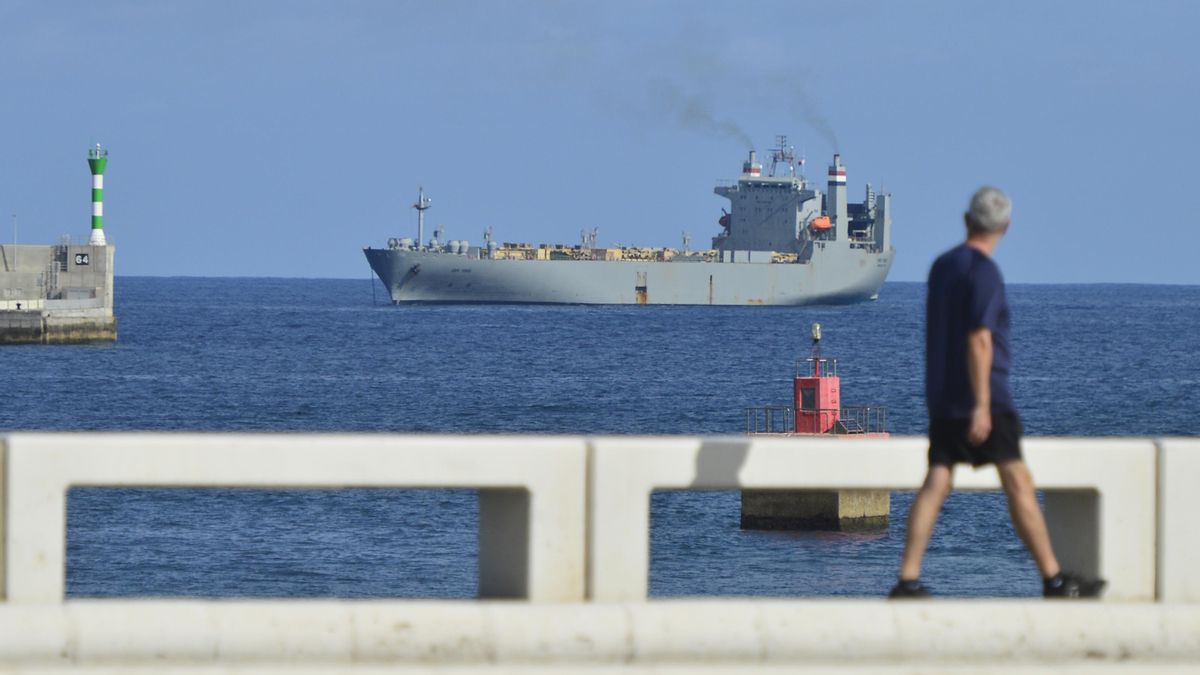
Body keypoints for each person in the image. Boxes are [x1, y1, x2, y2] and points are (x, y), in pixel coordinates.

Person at [889, 186, 1105, 599]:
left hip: (942, 396)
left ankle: (907, 579)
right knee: (1018, 480)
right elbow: (979, 340)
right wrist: (983, 405)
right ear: (1006, 226)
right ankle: (1053, 579)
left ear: (967, 219)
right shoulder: (985, 272)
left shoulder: (941, 266)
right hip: (984, 396)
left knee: (937, 479)